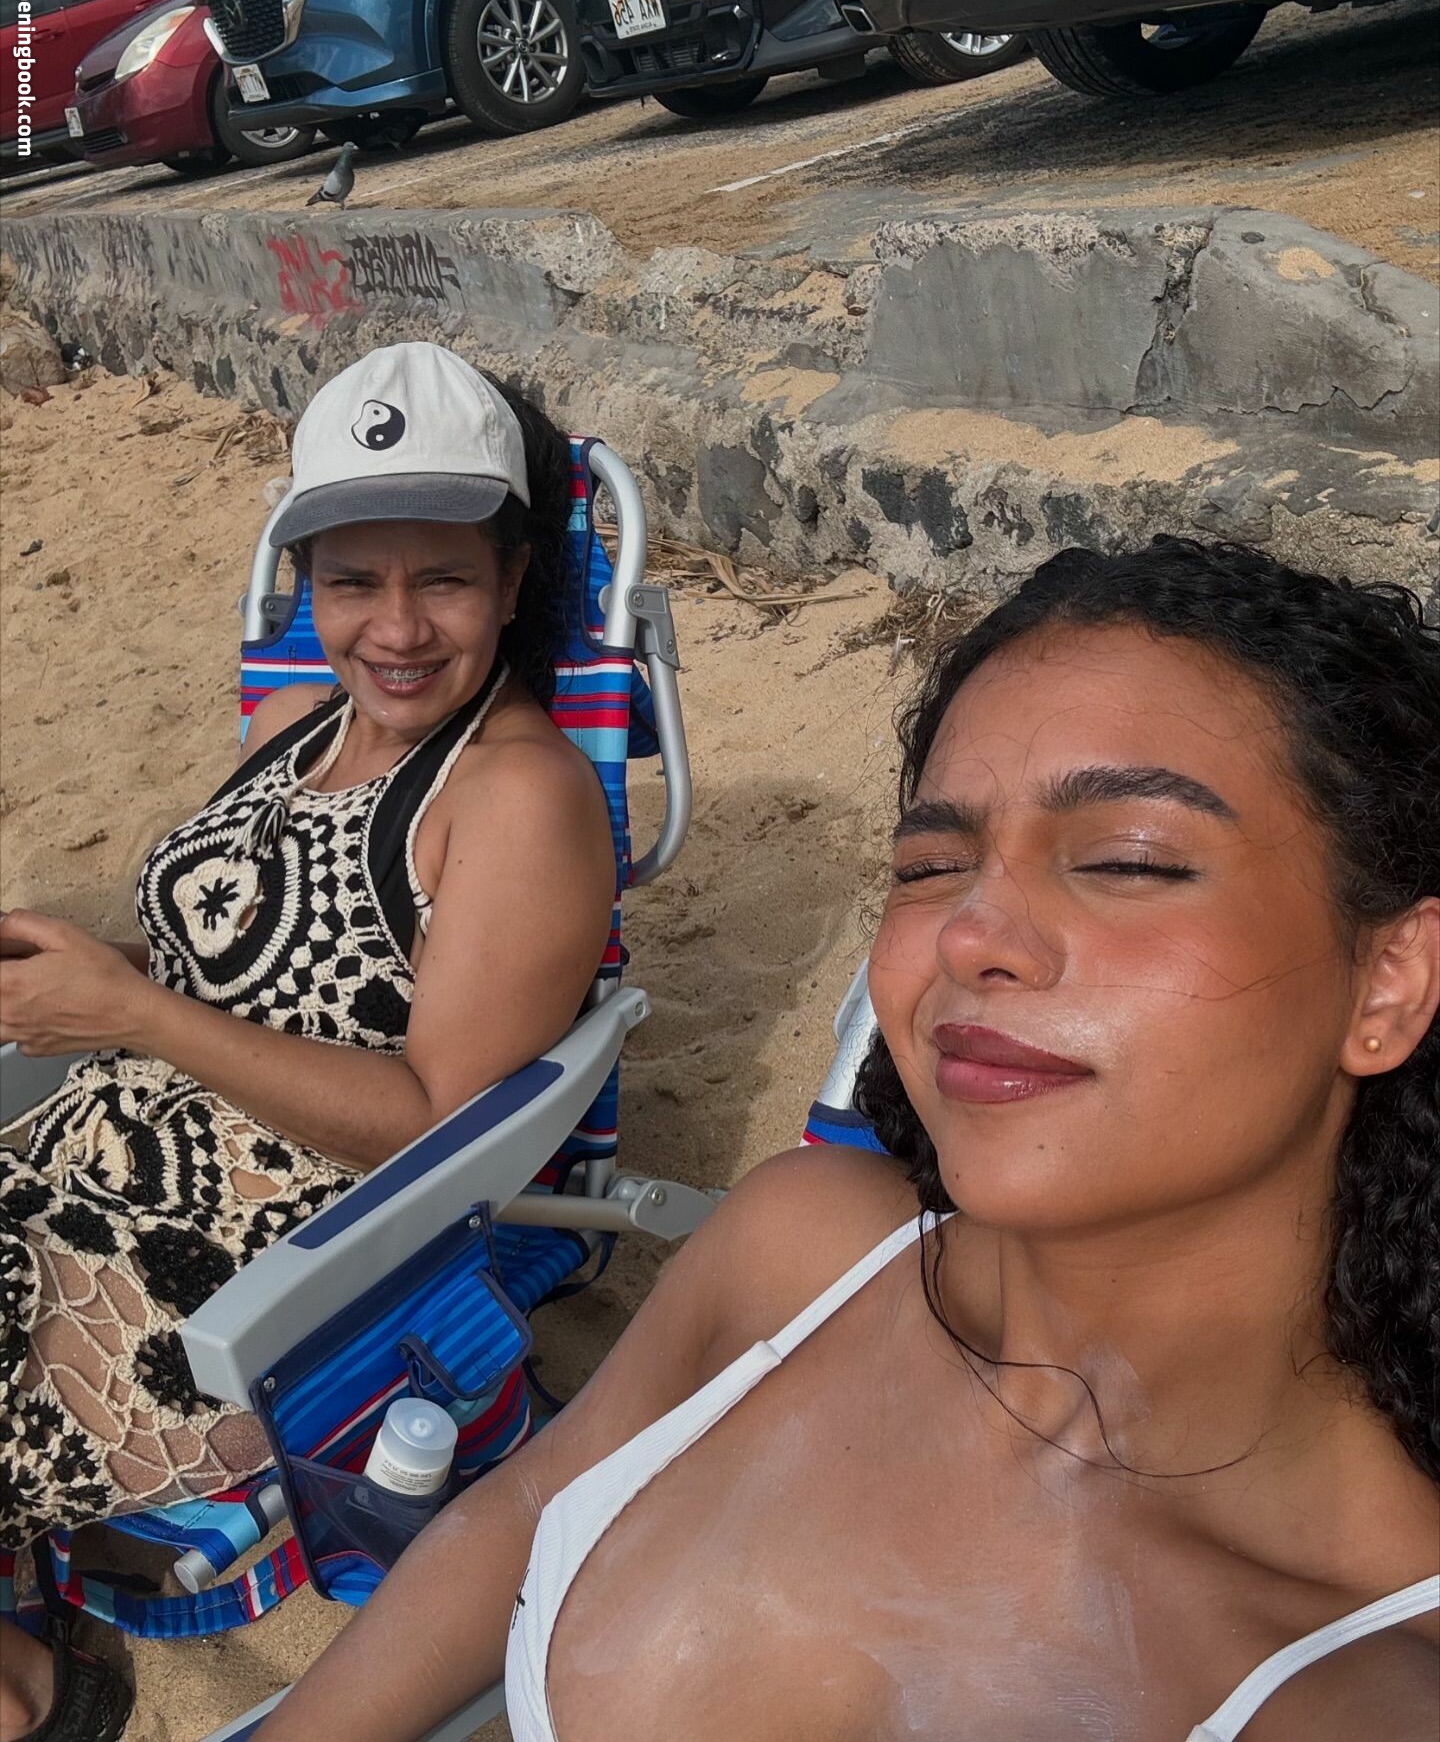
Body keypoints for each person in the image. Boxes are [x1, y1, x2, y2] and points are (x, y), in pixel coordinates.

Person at [259, 537, 1436, 1742]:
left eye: (1126, 860)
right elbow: (521, 1510)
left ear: (1389, 979)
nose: (972, 932)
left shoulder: (1359, 1690)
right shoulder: (805, 1252)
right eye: (933, 865)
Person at [0, 343, 616, 1742]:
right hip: (82, 1170)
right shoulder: (294, 724)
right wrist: (80, 967)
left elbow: (437, 1124)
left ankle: (32, 1695)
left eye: (442, 579)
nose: (395, 628)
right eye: (352, 582)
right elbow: (221, 954)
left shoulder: (518, 798)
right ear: (308, 584)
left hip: (242, 1272)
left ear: (513, 580)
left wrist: (137, 1016)